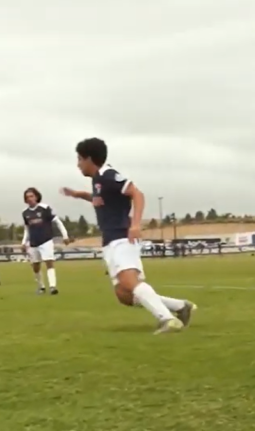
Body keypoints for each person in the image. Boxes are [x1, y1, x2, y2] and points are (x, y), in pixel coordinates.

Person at [61, 138, 195, 333]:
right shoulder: (98, 180)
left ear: (89, 159)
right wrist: (78, 194)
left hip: (122, 237)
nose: (78, 164)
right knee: (123, 295)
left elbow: (137, 193)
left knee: (129, 282)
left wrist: (135, 224)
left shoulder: (109, 175)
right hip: (110, 241)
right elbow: (100, 199)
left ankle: (168, 319)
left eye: (80, 159)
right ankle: (180, 307)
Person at [21, 187, 69, 294]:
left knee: (49, 263)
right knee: (36, 266)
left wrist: (65, 236)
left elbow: (58, 222)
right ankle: (41, 286)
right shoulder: (25, 213)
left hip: (46, 240)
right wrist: (24, 242)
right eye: (27, 197)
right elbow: (27, 229)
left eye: (31, 196)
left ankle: (53, 287)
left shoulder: (45, 208)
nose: (29, 199)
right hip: (33, 243)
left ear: (37, 196)